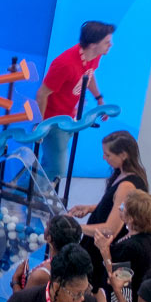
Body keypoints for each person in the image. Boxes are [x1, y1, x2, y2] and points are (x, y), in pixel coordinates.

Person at [34, 21, 114, 182]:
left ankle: (24, 189)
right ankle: (30, 195)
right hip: (54, 121)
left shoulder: (94, 56)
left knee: (50, 163)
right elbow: (42, 94)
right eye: (106, 42)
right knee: (57, 168)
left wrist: (99, 98)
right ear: (92, 45)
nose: (110, 45)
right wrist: (40, 125)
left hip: (69, 118)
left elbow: (89, 76)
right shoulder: (64, 64)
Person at [68, 130, 146, 240]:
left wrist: (74, 227)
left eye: (108, 155)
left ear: (123, 155)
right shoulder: (122, 173)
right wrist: (90, 208)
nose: (104, 158)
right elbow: (114, 205)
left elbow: (111, 229)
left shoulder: (127, 187)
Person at [11, 214, 82, 294]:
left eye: (47, 225)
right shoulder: (76, 264)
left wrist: (15, 280)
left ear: (49, 238)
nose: (45, 227)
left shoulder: (42, 275)